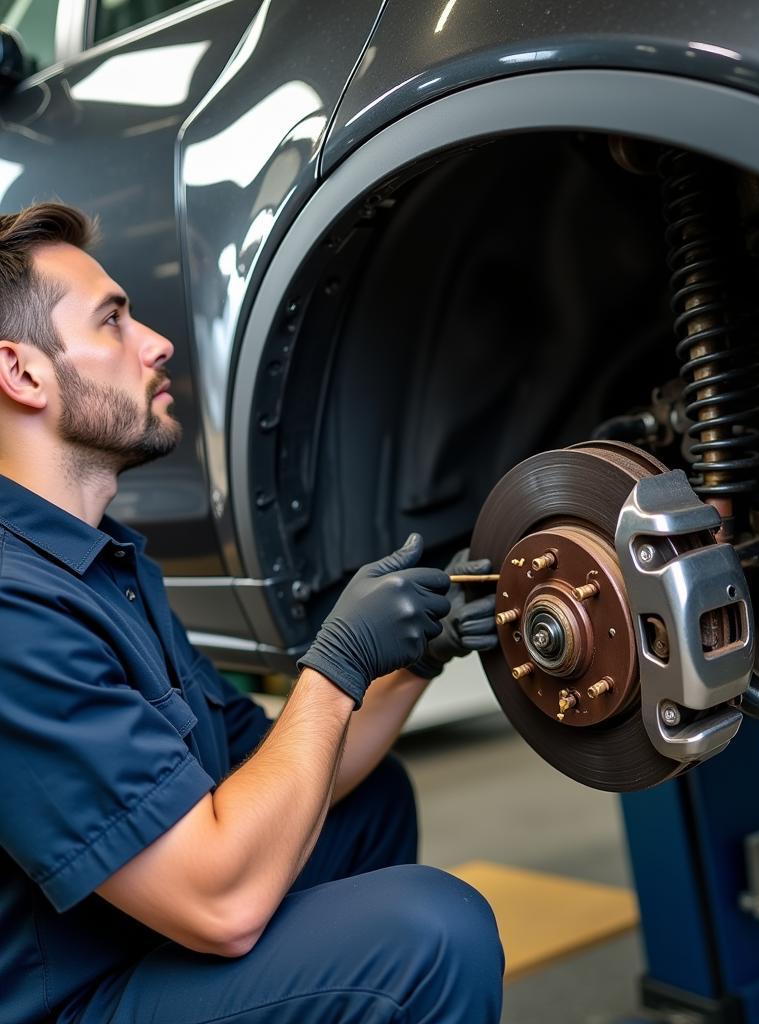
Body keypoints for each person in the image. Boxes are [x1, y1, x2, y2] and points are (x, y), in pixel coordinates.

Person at [0, 203, 504, 1024]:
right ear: (23, 374)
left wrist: (411, 662)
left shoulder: (107, 569)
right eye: (114, 321)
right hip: (73, 1002)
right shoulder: (12, 611)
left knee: (370, 811)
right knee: (430, 932)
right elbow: (221, 905)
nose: (157, 345)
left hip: (139, 945)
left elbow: (267, 772)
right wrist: (337, 665)